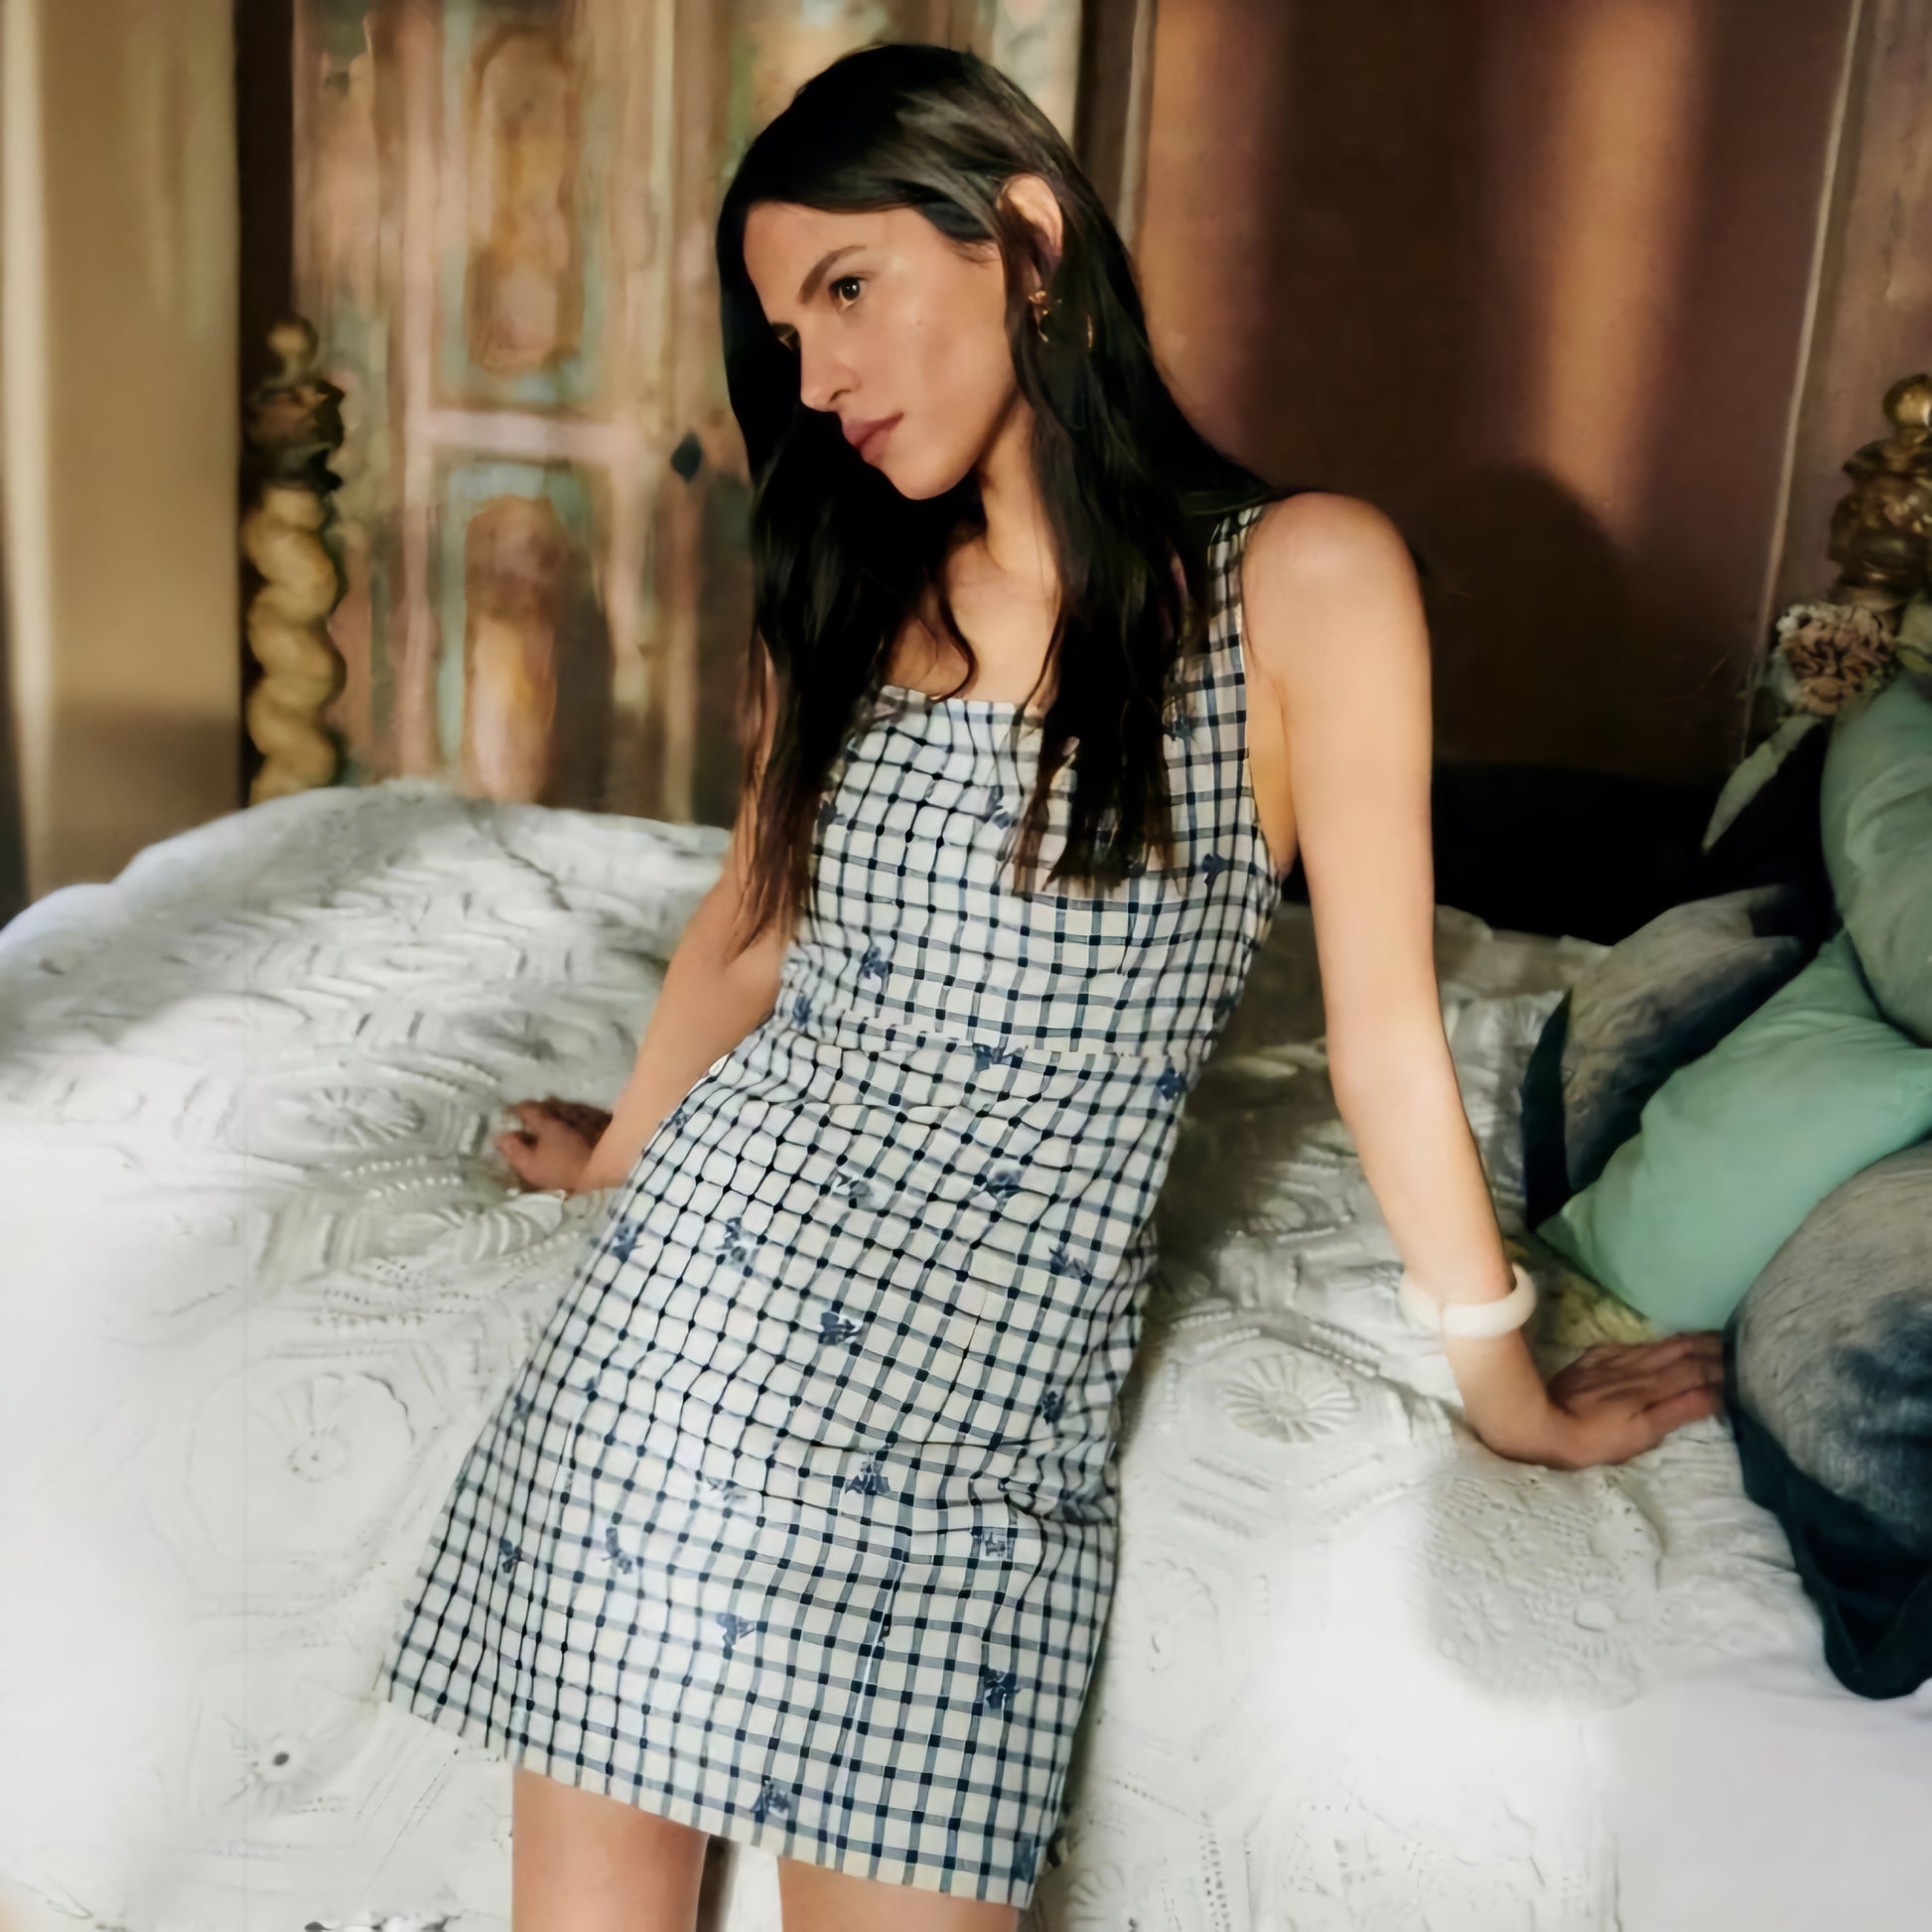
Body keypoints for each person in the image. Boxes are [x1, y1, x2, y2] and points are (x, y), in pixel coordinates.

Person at [375, 41, 1724, 1932]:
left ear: (1019, 237)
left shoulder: (1302, 583)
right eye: (785, 332)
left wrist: (1507, 1392)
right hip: (681, 1360)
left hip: (982, 1428)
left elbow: (1384, 1041)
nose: (813, 376)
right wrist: (619, 1162)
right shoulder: (845, 584)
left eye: (848, 288)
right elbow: (749, 924)